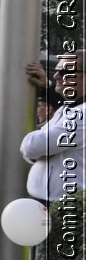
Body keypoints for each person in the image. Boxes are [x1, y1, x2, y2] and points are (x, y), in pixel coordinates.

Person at [20, 52, 85, 203]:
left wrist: (38, 148)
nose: (56, 76)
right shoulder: (67, 108)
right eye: (57, 70)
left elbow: (31, 146)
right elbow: (34, 151)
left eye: (65, 72)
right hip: (50, 203)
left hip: (64, 206)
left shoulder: (81, 115)